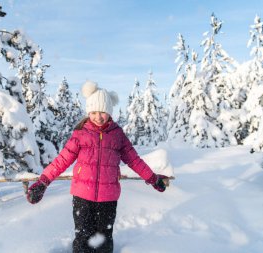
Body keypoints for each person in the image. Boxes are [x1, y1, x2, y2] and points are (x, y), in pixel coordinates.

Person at [26, 80, 169, 253]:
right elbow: (62, 160)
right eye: (94, 112)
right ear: (88, 112)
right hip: (82, 198)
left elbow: (134, 160)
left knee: (104, 239)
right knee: (82, 239)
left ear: (109, 112)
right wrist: (43, 182)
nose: (98, 117)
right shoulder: (81, 134)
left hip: (108, 199)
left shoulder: (117, 136)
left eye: (102, 112)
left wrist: (153, 179)